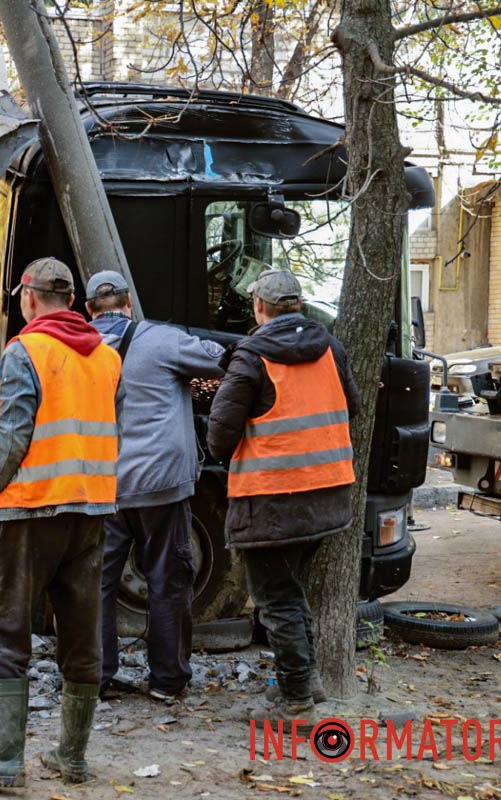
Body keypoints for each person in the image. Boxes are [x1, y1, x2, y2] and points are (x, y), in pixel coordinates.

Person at [0, 258, 122, 788]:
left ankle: (2, 760)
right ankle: (71, 756)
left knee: (1, 623)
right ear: (72, 300)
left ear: (28, 297)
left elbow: (12, 434)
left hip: (34, 507)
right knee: (80, 628)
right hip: (92, 508)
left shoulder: (27, 351)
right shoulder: (106, 357)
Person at [206, 270, 360, 722]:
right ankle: (306, 684)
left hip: (272, 500)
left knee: (277, 599)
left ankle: (295, 704)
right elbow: (350, 405)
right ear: (298, 305)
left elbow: (219, 438)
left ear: (258, 307)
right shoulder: (330, 348)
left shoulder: (251, 357)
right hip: (328, 497)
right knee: (290, 593)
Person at [85, 270, 226, 703]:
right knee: (168, 580)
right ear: (129, 303)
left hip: (100, 486)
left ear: (89, 309)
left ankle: (97, 678)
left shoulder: (78, 347)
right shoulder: (160, 340)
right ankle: (167, 680)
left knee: (97, 586)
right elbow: (217, 357)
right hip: (160, 484)